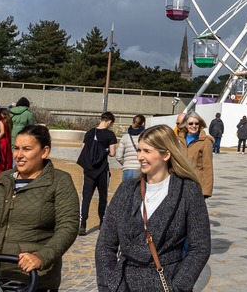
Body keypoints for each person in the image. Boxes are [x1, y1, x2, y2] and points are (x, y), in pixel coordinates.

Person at [0, 124, 80, 292]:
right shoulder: (3, 180)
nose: (19, 155)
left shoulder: (59, 181)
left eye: (27, 149)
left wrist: (41, 257)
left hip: (33, 278)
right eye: (16, 148)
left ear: (44, 152)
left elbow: (68, 226)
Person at [94, 124, 211, 292]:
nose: (140, 156)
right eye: (139, 150)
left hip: (165, 282)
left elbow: (200, 247)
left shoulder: (188, 191)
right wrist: (108, 285)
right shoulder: (126, 189)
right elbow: (105, 243)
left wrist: (178, 286)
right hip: (124, 283)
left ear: (166, 154)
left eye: (147, 151)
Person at [77, 111, 118, 236]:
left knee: (86, 197)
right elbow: (112, 153)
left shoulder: (89, 133)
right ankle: (102, 222)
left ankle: (83, 224)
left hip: (89, 170)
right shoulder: (110, 135)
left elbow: (83, 148)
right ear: (110, 121)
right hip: (102, 170)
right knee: (103, 196)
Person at [178, 112, 215, 197]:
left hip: (196, 185)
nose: (194, 126)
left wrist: (206, 191)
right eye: (190, 123)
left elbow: (208, 167)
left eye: (196, 123)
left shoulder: (205, 142)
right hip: (179, 184)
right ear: (185, 125)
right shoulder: (178, 140)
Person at [115, 115, 144, 185]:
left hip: (127, 170)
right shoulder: (145, 136)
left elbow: (118, 156)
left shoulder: (125, 137)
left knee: (125, 193)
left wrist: (125, 163)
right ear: (143, 123)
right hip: (140, 170)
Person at [0, 108, 15, 175]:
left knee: (2, 158)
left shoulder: (1, 121)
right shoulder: (9, 121)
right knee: (8, 157)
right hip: (8, 140)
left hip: (2, 141)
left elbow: (2, 132)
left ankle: (0, 173)